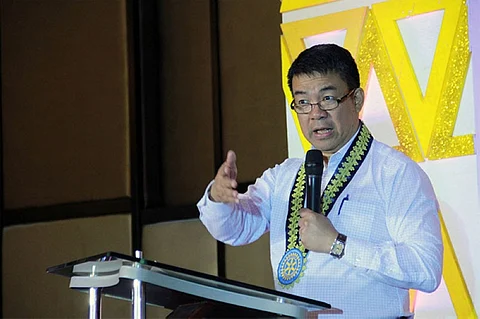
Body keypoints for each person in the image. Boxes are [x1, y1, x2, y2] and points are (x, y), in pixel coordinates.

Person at [197, 43, 443, 318]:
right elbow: (236, 229)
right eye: (303, 102)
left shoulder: (396, 173)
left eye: (327, 99)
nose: (316, 113)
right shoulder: (284, 176)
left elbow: (425, 268)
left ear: (357, 100)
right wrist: (219, 198)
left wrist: (338, 244)